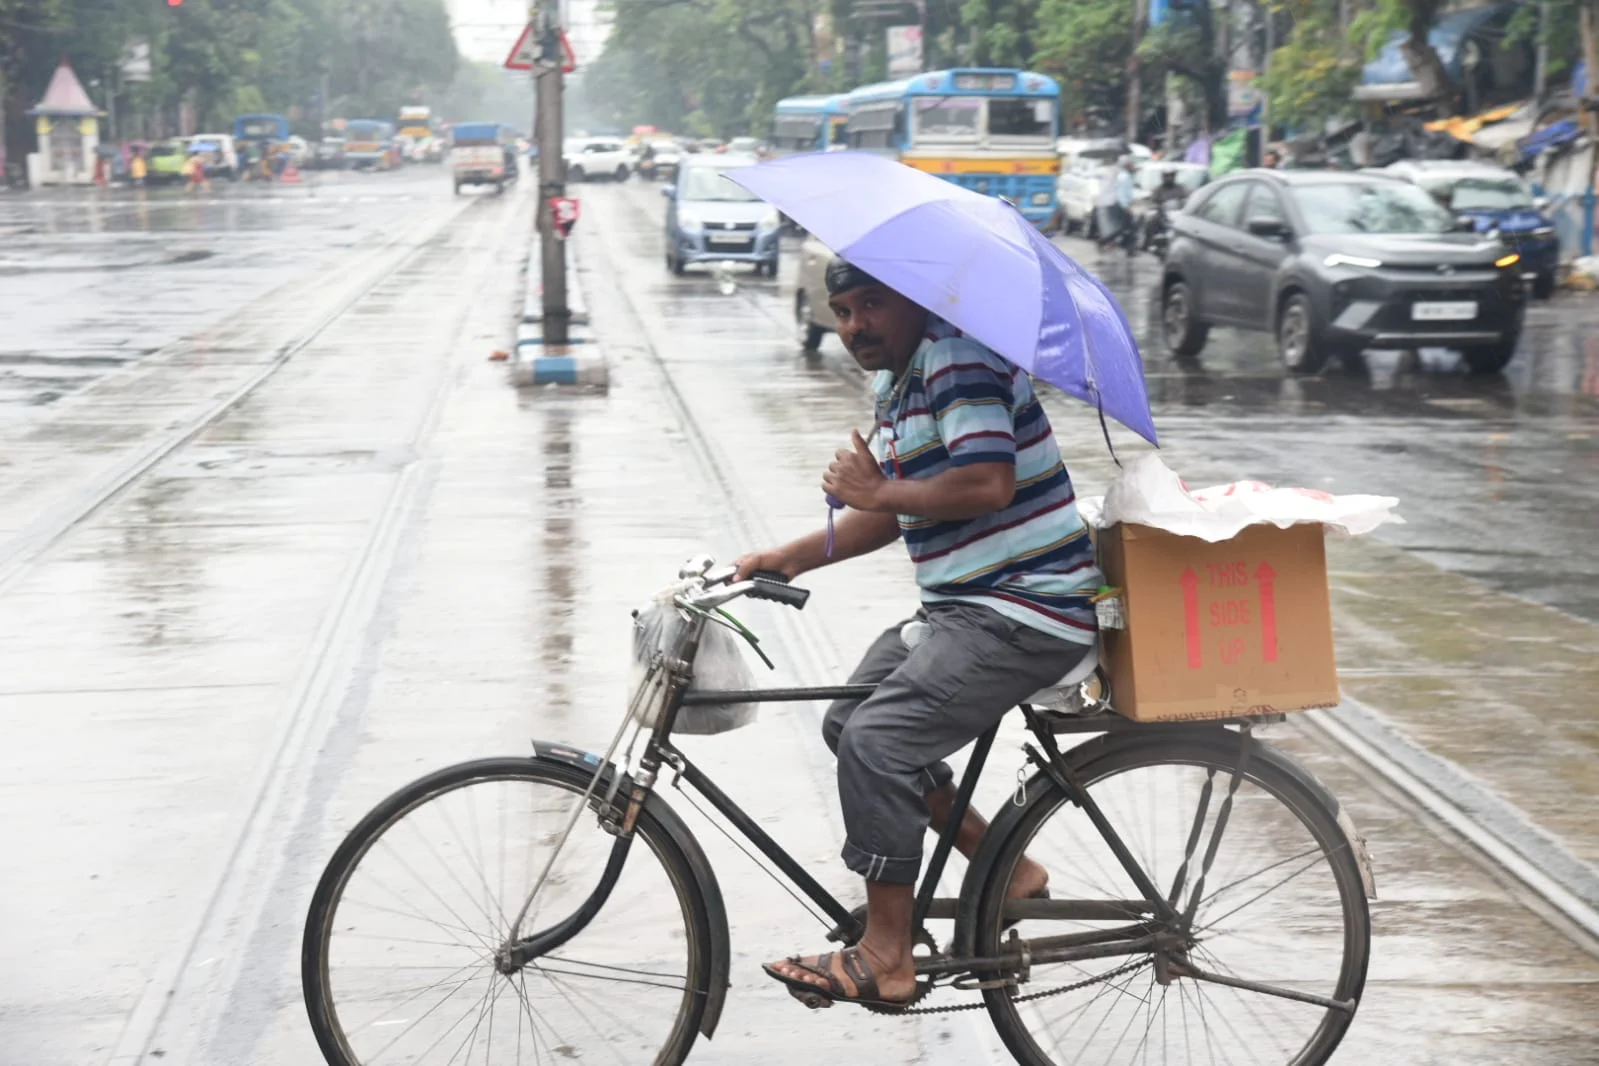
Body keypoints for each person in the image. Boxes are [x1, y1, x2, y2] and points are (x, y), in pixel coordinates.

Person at [744, 258, 1099, 1010]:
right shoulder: (898, 382)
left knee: (880, 741)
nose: (854, 327)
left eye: (871, 304)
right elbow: (897, 509)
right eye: (841, 312)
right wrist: (786, 556)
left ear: (911, 300)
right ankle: (1011, 870)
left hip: (1022, 608)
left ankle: (886, 956)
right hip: (964, 607)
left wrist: (874, 486)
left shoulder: (956, 357)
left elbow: (984, 482)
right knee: (850, 723)